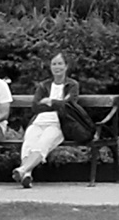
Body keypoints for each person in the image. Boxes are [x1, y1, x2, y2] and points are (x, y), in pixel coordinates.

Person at [15, 52, 84, 189]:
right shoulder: (44, 85)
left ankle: (22, 170)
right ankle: (27, 174)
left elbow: (69, 107)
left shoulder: (72, 85)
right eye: (54, 64)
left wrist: (50, 101)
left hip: (58, 123)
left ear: (66, 66)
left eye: (60, 64)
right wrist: (57, 104)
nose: (57, 67)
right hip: (39, 121)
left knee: (42, 144)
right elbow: (35, 106)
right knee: (28, 143)